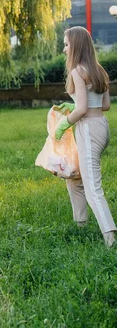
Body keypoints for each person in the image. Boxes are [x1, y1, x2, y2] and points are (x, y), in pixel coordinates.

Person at [55, 26, 116, 247]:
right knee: (75, 178)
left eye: (67, 44)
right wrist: (74, 105)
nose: (64, 49)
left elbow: (81, 110)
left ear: (77, 46)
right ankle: (80, 225)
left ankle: (110, 238)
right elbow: (105, 105)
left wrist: (64, 124)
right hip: (101, 125)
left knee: (93, 189)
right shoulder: (100, 70)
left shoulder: (77, 72)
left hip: (88, 129)